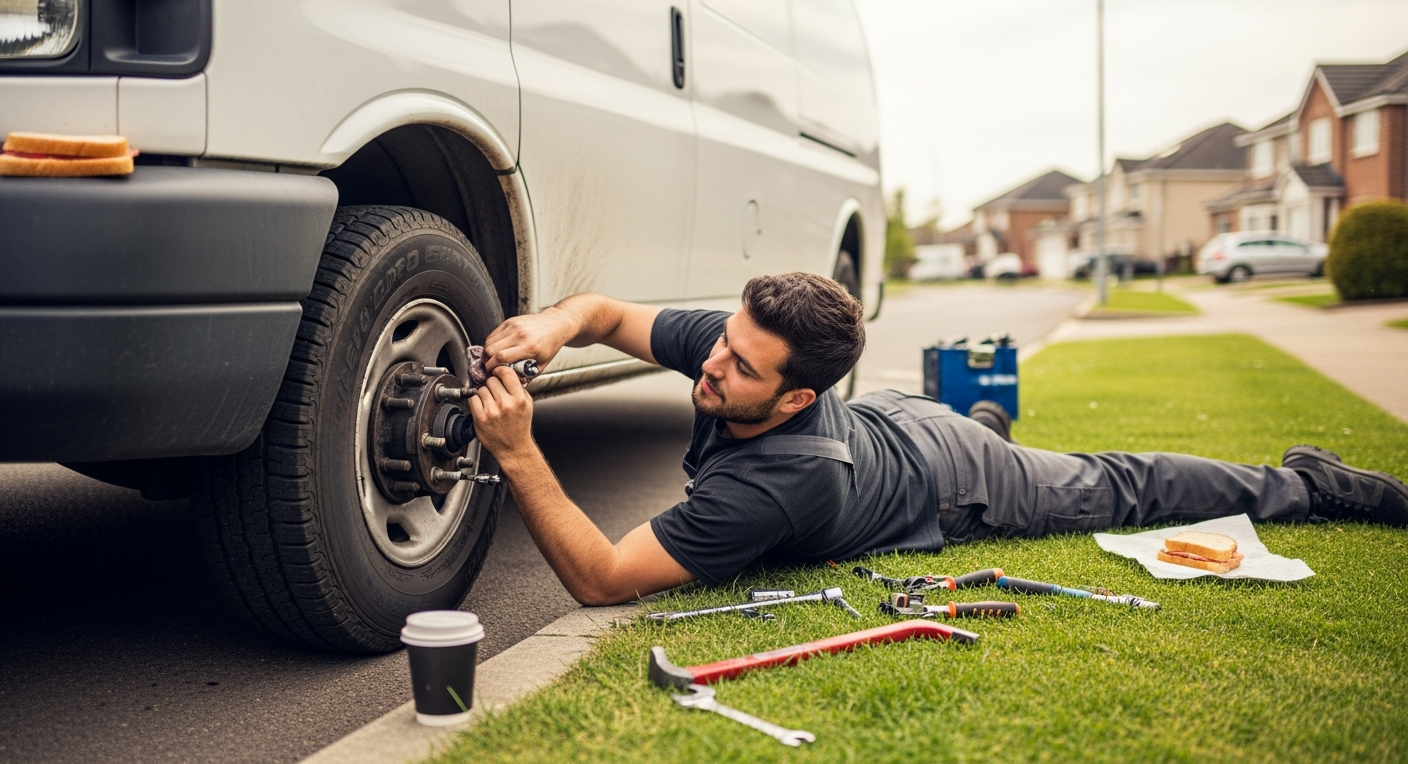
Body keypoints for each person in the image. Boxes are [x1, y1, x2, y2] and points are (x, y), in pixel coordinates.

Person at [467, 272, 1408, 605]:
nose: (710, 368)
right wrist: (554, 326)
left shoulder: (776, 482)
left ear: (792, 399)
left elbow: (599, 579)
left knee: (1113, 482)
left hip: (953, 480)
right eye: (722, 346)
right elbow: (605, 311)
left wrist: (518, 451)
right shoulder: (741, 349)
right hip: (889, 417)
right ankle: (985, 418)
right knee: (970, 422)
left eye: (741, 370)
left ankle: (1315, 486)